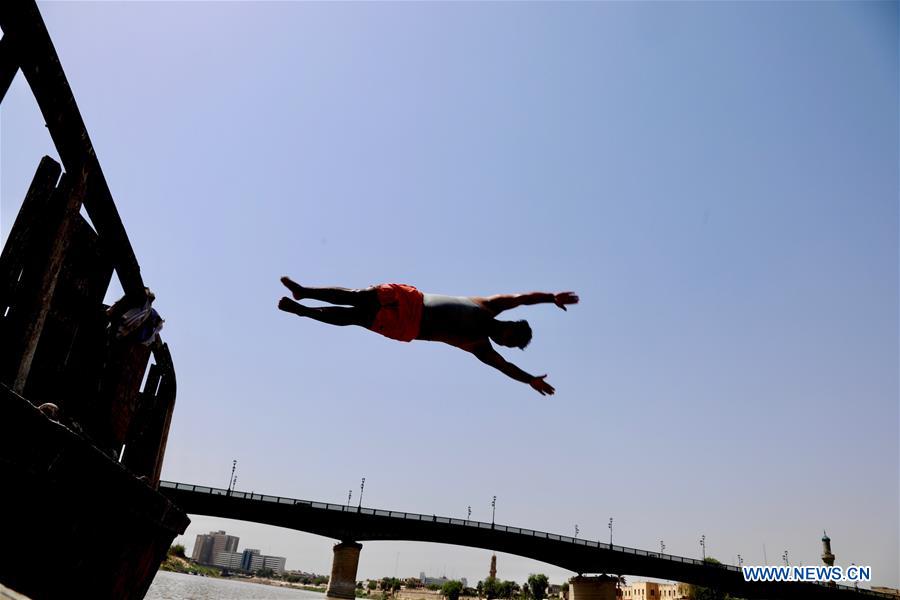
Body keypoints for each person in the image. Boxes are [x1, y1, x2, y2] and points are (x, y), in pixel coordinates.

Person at [277, 277, 578, 395]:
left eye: (509, 345)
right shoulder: (489, 306)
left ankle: (301, 311)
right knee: (360, 296)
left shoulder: (479, 347)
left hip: (409, 327)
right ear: (510, 325)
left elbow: (504, 367)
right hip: (412, 301)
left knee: (354, 317)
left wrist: (529, 379)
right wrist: (551, 297)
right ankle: (305, 292)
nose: (504, 343)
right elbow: (522, 297)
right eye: (510, 337)